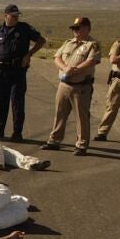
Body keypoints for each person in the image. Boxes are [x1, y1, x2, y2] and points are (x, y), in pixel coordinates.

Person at [0, 4, 45, 140]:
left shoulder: (24, 29)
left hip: (17, 71)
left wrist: (29, 54)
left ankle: (17, 133)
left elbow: (41, 41)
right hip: (0, 71)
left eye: (17, 15)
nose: (16, 17)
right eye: (13, 15)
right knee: (0, 102)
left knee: (17, 103)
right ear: (5, 16)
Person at [42, 17, 101, 156]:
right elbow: (57, 57)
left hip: (81, 86)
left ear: (87, 28)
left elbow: (92, 61)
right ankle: (54, 140)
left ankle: (81, 144)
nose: (75, 31)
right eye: (74, 28)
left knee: (81, 117)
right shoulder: (68, 43)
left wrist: (74, 70)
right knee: (59, 113)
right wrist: (65, 68)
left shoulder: (92, 45)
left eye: (78, 28)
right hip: (64, 84)